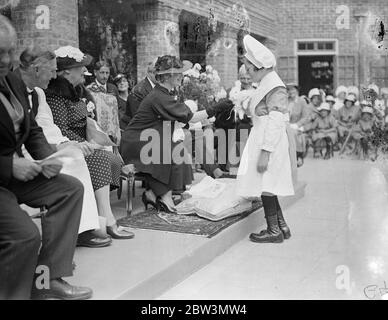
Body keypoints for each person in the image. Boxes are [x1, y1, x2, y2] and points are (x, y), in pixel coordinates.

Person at [0, 16, 93, 300]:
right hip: (4, 175)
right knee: (25, 235)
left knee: (69, 189)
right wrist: (9, 164)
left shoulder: (12, 81)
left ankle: (47, 279)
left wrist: (47, 160)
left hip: (12, 175)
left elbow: (32, 131)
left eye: (9, 51)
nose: (6, 60)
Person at [17, 46, 112, 248]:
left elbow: (44, 125)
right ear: (35, 70)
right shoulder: (14, 90)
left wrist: (64, 144)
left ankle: (84, 228)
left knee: (74, 155)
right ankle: (72, 231)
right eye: (52, 71)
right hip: (18, 153)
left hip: (40, 145)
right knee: (72, 158)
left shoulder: (39, 94)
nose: (54, 76)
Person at [45, 46, 133, 240]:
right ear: (67, 70)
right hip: (68, 145)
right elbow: (61, 129)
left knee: (112, 158)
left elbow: (88, 121)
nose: (84, 71)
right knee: (101, 159)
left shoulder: (78, 91)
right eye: (81, 67)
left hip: (85, 141)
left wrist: (97, 138)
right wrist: (85, 143)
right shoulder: (56, 94)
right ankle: (107, 219)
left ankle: (98, 216)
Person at [121, 55, 227, 213]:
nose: (181, 77)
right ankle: (164, 196)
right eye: (178, 74)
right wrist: (217, 108)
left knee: (176, 150)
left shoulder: (163, 93)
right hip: (136, 142)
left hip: (149, 138)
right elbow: (190, 117)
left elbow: (183, 119)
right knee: (169, 153)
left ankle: (153, 194)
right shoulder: (159, 96)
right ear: (167, 76)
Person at [235, 35, 295, 244]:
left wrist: (266, 152)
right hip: (263, 138)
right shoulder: (267, 82)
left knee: (267, 185)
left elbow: (277, 119)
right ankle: (281, 226)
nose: (248, 74)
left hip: (270, 141)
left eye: (250, 70)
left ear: (260, 67)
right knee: (267, 184)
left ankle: (273, 231)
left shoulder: (274, 86)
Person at [87, 61, 121, 144]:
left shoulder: (113, 88)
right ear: (95, 72)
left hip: (113, 132)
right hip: (97, 131)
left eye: (107, 73)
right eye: (102, 73)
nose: (105, 76)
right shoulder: (89, 90)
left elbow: (118, 108)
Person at [286, 83, 310, 166]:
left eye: (293, 89)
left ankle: (299, 155)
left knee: (293, 133)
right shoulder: (285, 101)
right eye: (288, 90)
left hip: (298, 125)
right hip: (286, 124)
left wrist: (297, 125)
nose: (291, 91)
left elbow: (305, 117)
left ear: (296, 90)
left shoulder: (302, 101)